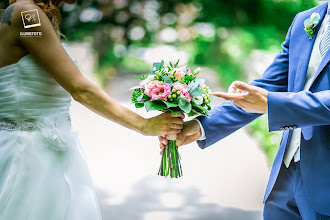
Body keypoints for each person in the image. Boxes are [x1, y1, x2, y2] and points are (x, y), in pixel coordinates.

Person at [0, 0, 184, 219]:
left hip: (56, 150)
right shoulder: (25, 14)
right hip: (27, 155)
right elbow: (80, 89)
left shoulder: (35, 16)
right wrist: (143, 125)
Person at [160, 1, 330, 219]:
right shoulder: (304, 20)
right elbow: (268, 87)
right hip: (284, 179)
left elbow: (269, 99)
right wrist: (202, 125)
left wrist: (273, 103)